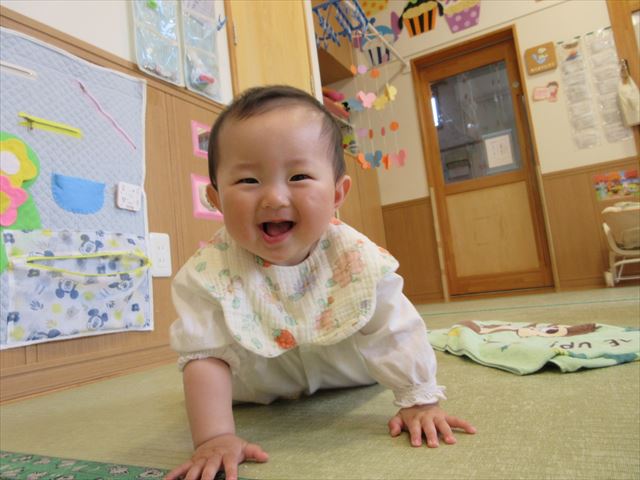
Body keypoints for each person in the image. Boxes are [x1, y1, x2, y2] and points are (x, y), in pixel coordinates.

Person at [166, 85, 476, 480]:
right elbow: (204, 355)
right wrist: (214, 436)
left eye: (298, 176)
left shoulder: (356, 257)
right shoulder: (207, 274)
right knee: (206, 369)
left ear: (337, 193)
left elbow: (394, 327)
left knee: (391, 334)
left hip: (348, 371)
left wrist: (418, 400)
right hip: (260, 386)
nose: (274, 198)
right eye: (247, 180)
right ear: (215, 198)